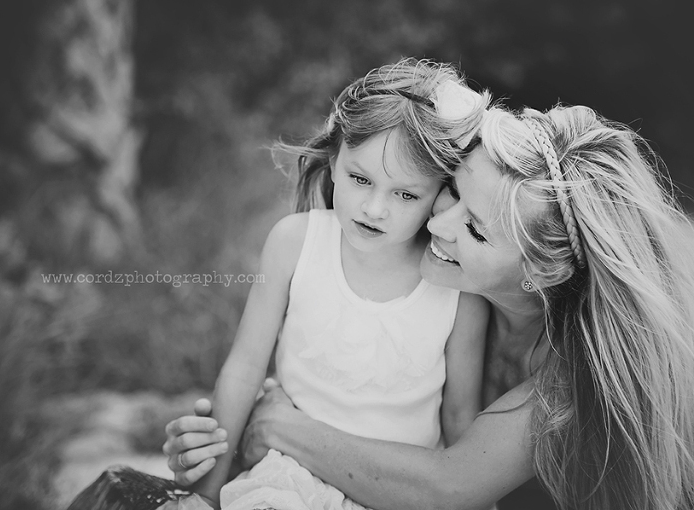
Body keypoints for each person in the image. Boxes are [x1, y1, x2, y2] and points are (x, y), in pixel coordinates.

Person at [165, 104, 694, 510]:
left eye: (475, 229)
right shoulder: (454, 293)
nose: (437, 224)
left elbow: (446, 486)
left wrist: (280, 427)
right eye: (452, 193)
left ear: (540, 272)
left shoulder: (575, 376)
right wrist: (212, 450)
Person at [177, 58, 494, 510]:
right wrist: (205, 495)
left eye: (406, 194)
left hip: (395, 490)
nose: (374, 208)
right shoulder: (294, 242)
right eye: (360, 179)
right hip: (290, 477)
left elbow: (460, 414)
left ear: (440, 193)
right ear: (332, 161)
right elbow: (244, 369)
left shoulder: (455, 285)